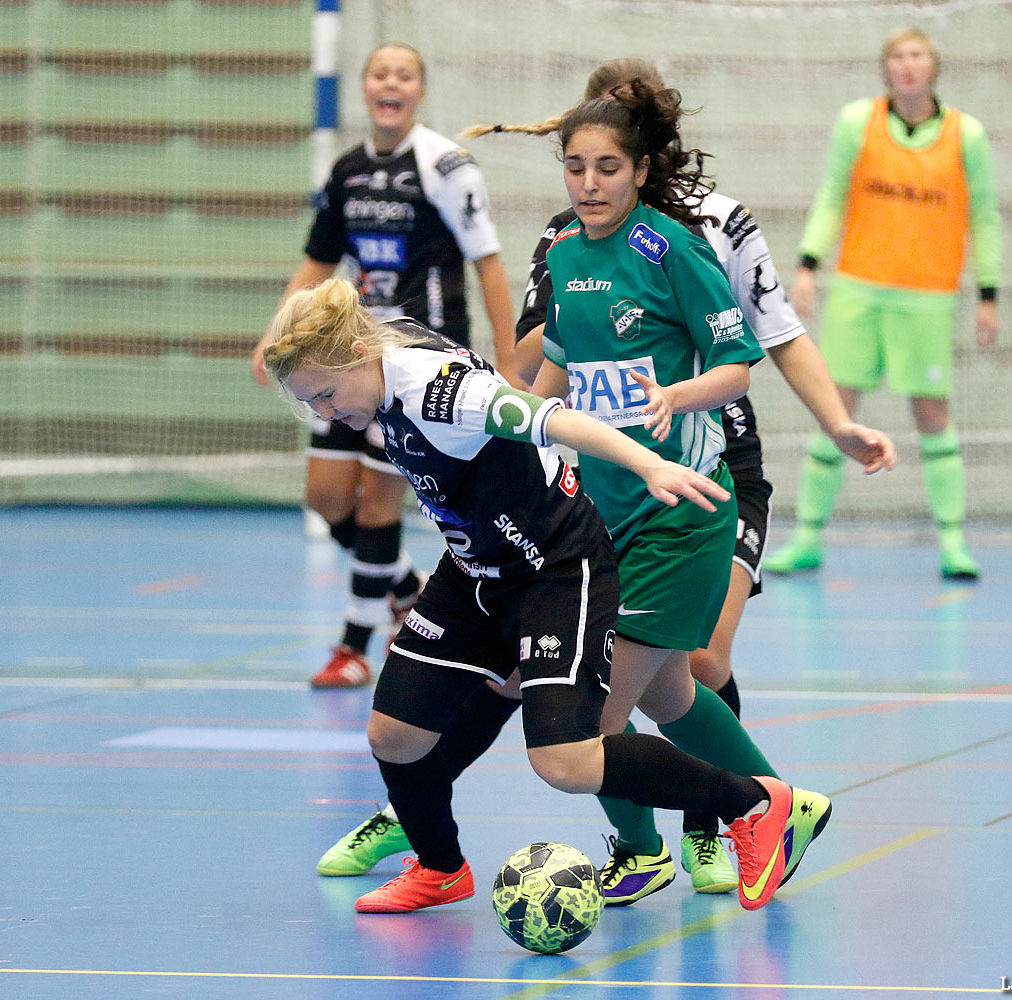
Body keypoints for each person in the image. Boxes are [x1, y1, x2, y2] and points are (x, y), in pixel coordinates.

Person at [316, 61, 881, 905]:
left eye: (606, 163)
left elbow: (743, 361)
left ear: (642, 157)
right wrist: (512, 438)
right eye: (575, 164)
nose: (588, 180)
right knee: (670, 691)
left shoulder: (679, 241)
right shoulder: (567, 253)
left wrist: (683, 401)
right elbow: (553, 377)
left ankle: (730, 819)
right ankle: (764, 812)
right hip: (601, 507)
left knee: (590, 722)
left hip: (678, 505)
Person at [264, 276, 810, 914]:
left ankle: (755, 806)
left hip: (557, 568)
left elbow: (551, 417)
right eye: (312, 404)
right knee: (394, 734)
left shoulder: (443, 393)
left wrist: (647, 463)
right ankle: (440, 868)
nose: (327, 413)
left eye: (326, 395)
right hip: (475, 568)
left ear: (357, 356)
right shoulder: (375, 366)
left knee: (565, 761)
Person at [250, 42, 520, 688]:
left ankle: (352, 648)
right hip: (340, 359)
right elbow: (318, 259)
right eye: (379, 73)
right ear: (365, 89)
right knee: (326, 499)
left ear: (418, 91)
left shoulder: (445, 166)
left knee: (377, 506)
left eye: (403, 74)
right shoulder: (346, 172)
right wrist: (273, 336)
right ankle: (404, 588)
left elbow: (487, 261)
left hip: (407, 367)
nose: (390, 83)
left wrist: (509, 360)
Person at [764, 27, 1002, 580]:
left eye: (917, 55)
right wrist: (807, 263)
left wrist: (988, 294)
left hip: (927, 297)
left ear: (934, 66)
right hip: (857, 289)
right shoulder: (857, 123)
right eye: (897, 56)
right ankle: (807, 537)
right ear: (886, 68)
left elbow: (984, 217)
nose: (908, 65)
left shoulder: (966, 135)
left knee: (932, 413)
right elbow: (831, 195)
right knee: (835, 410)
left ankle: (953, 543)